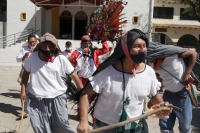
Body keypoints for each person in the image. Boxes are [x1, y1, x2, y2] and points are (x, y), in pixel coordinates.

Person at [77, 29, 171, 133]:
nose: (142, 50)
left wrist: (162, 106)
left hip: (136, 126)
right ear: (125, 49)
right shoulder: (107, 71)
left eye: (144, 46)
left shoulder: (149, 72)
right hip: (106, 127)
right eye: (137, 46)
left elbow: (154, 95)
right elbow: (86, 94)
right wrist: (83, 121)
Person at [20, 33, 83, 133]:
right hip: (37, 98)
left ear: (55, 47)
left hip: (58, 97)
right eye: (45, 46)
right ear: (40, 47)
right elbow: (26, 73)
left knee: (61, 125)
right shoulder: (33, 57)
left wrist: (82, 91)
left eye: (50, 46)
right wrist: (23, 90)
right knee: (39, 126)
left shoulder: (61, 59)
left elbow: (73, 75)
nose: (48, 49)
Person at [146, 42, 198, 133]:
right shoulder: (154, 65)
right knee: (165, 126)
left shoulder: (172, 54)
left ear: (154, 53)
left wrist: (187, 73)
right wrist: (154, 99)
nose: (147, 60)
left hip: (183, 97)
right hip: (167, 97)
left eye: (148, 56)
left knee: (185, 128)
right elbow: (160, 80)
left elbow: (194, 54)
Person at [16, 34, 38, 118]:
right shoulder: (24, 49)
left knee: (35, 91)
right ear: (28, 42)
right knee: (24, 91)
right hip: (25, 71)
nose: (32, 43)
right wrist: (25, 56)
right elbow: (17, 59)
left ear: (36, 41)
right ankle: (24, 110)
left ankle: (34, 109)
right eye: (30, 42)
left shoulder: (39, 49)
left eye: (34, 42)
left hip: (35, 72)